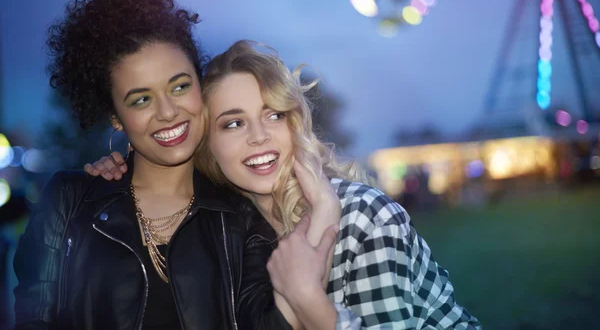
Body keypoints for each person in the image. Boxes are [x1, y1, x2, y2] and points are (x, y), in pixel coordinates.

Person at [91, 40, 482, 329]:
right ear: (208, 143)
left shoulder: (363, 215)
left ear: (295, 123)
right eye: (233, 123)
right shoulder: (233, 235)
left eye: (274, 115)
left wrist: (309, 297)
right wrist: (123, 170)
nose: (259, 136)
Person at [12, 0, 294, 330]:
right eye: (141, 99)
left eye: (179, 86)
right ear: (116, 116)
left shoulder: (242, 213)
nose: (167, 112)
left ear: (200, 87)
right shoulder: (69, 201)